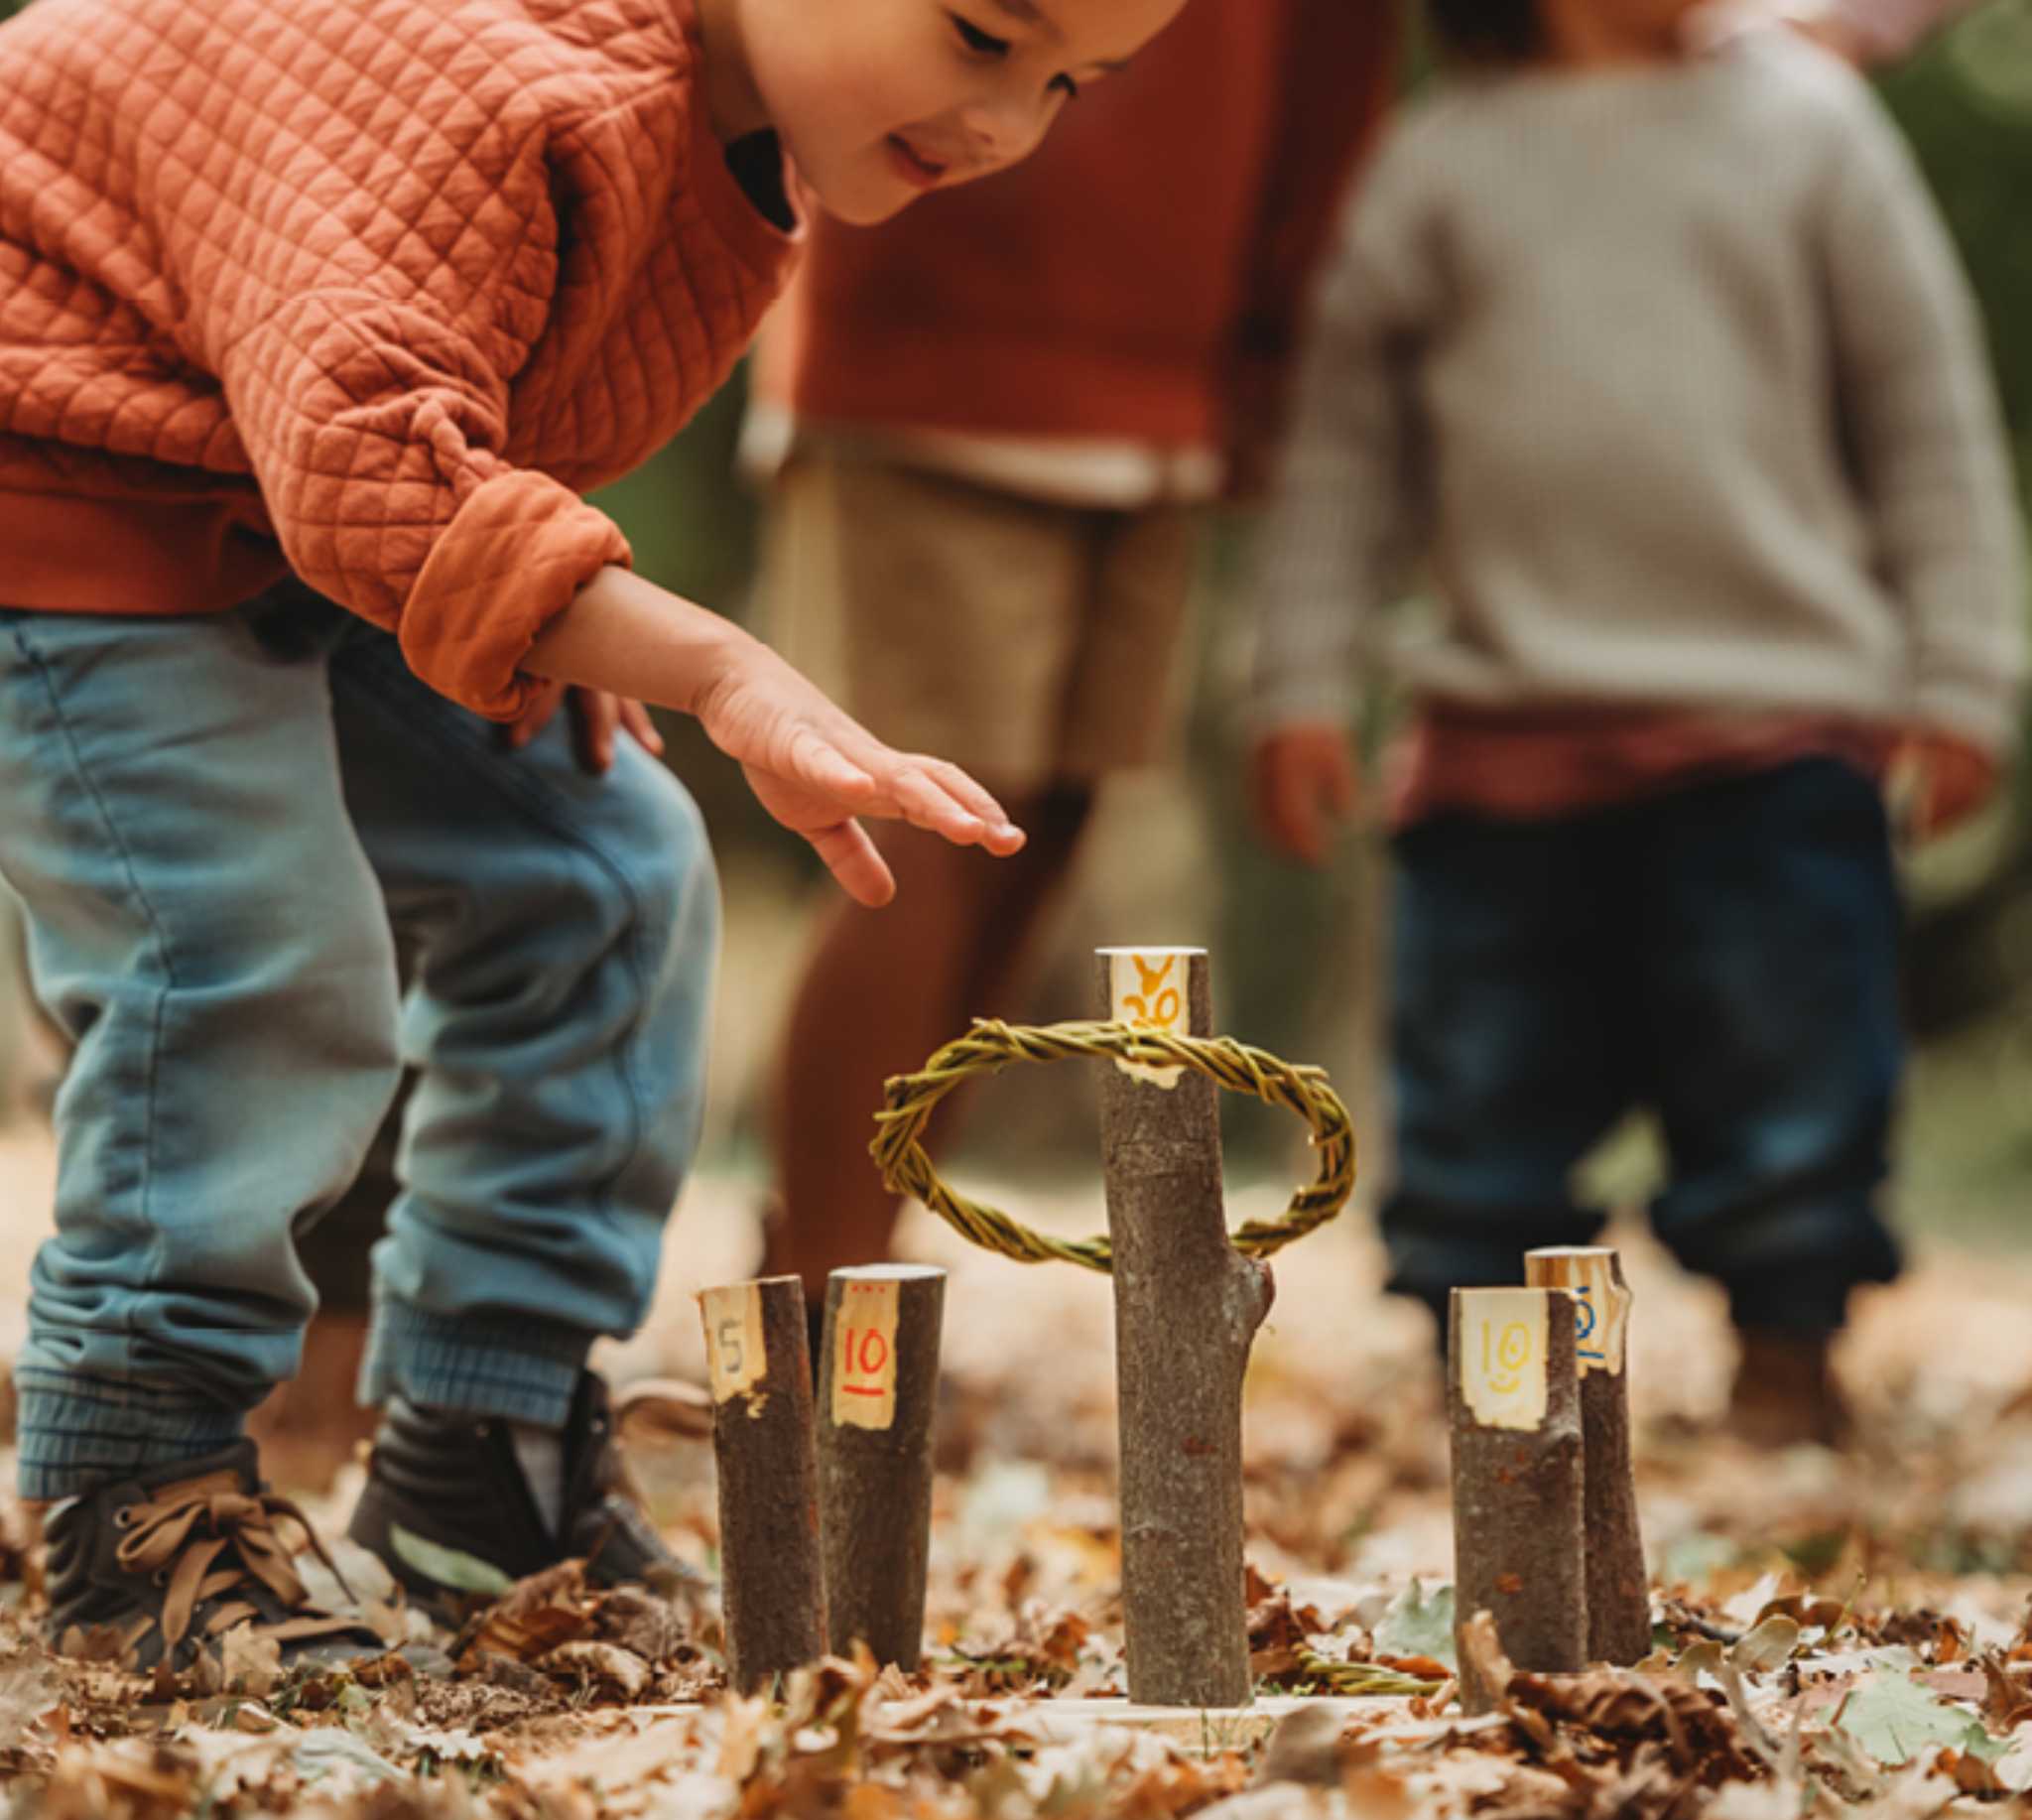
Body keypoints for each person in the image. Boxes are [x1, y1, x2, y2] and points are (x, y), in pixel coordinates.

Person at [0, 0, 1184, 1670]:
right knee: (249, 955)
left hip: (270, 503)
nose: (1010, 119)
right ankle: (140, 1485)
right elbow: (369, 447)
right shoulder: (511, 86)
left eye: (1072, 82)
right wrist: (707, 660)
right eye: (983, 32)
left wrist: (539, 619)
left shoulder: (743, 146)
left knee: (606, 872)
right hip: (62, 465)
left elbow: (447, 437)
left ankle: (478, 1458)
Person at [1250, 0, 2025, 1446]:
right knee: (1479, 1092)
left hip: (1779, 724)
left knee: (1793, 1073)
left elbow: (1924, 411)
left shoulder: (1810, 122)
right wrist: (1298, 680)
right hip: (1500, 731)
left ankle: (1787, 1351)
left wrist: (1966, 671)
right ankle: (1489, 1391)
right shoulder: (1441, 157)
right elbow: (1346, 452)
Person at [745, 0, 1397, 1319]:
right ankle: (810, 1300)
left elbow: (1336, 56)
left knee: (1039, 824)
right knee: (916, 816)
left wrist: (1268, 339)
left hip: (1177, 354)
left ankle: (864, 1291)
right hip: (925, 315)